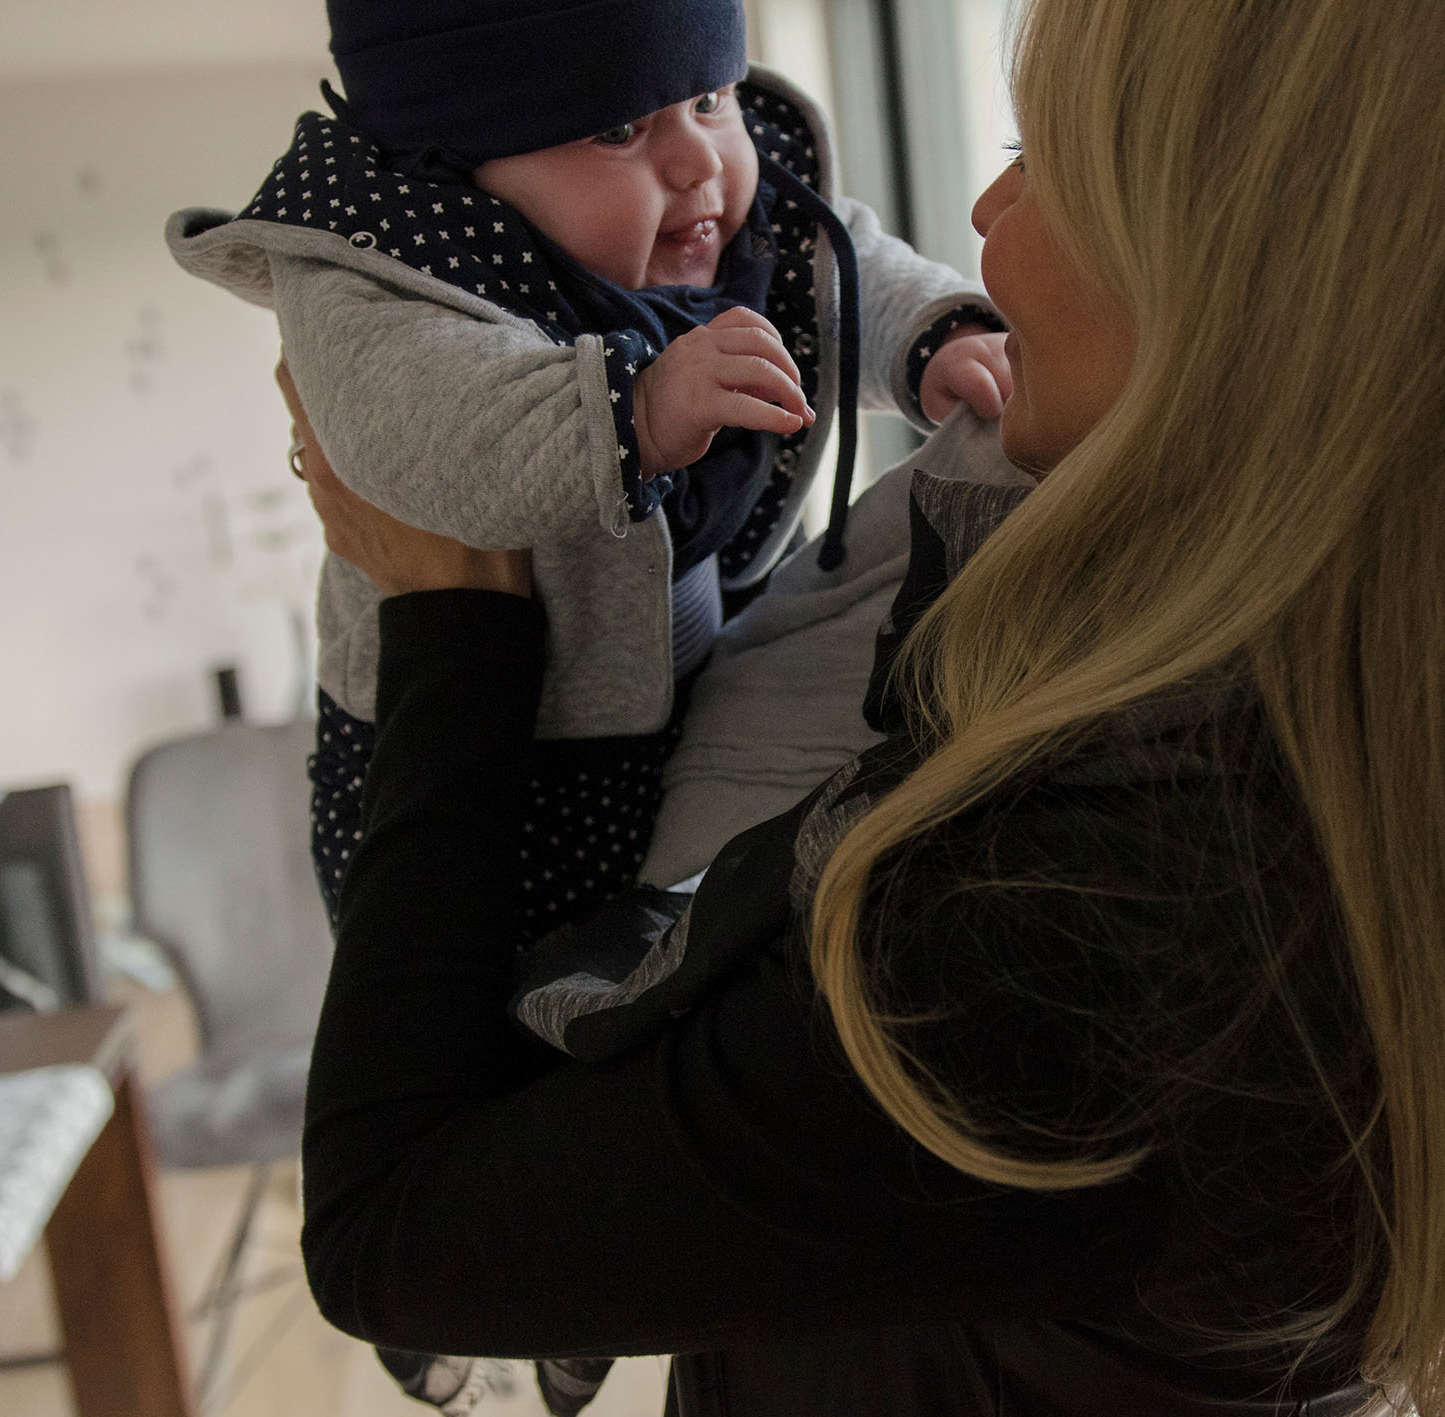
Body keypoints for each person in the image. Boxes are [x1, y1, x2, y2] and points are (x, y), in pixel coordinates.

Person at [287, 0, 1445, 1417]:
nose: (989, 214)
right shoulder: (1382, 744)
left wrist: (454, 621)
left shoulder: (1103, 923)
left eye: (1052, 161)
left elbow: (391, 1230)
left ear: (1253, 272)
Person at [167, 0, 1010, 937]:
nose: (698, 163)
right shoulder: (382, 272)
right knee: (505, 1002)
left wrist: (939, 335)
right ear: (463, 163)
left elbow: (842, 264)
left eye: (712, 97)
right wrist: (635, 411)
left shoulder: (731, 217)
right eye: (618, 130)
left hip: (701, 676)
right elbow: (429, 436)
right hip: (496, 757)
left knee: (703, 939)